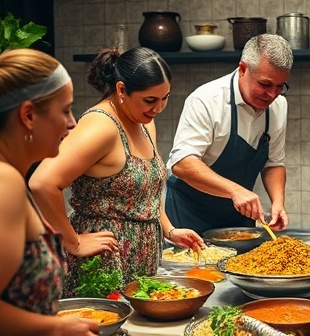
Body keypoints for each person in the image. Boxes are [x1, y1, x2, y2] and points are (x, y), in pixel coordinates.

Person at [29, 47, 206, 297]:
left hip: (141, 263)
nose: (159, 108)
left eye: (165, 98)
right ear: (122, 90)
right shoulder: (100, 126)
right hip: (102, 263)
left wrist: (169, 230)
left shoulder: (144, 121)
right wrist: (74, 242)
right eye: (150, 100)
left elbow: (147, 193)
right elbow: (42, 183)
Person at [0, 49, 99, 335]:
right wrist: (55, 328)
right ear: (29, 115)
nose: (73, 123)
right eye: (66, 110)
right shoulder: (5, 181)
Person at [165, 34, 293, 235]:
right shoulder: (206, 100)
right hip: (189, 217)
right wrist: (235, 190)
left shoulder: (278, 105)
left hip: (236, 219)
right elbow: (182, 163)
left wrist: (278, 203)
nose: (272, 94)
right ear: (243, 69)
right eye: (265, 84)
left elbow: (274, 163)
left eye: (280, 86)